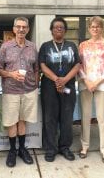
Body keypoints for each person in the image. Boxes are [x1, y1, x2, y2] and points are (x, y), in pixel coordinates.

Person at [0, 17, 39, 167]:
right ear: (14, 29)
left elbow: (36, 68)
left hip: (29, 90)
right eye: (18, 27)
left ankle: (22, 149)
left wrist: (36, 83)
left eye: (24, 27)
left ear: (27, 29)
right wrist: (11, 74)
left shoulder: (32, 46)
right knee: (12, 121)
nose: (21, 29)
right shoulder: (5, 47)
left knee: (23, 120)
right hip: (11, 90)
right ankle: (12, 150)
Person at [39, 17, 80, 162]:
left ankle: (65, 147)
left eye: (61, 27)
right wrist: (57, 79)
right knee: (50, 118)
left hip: (67, 86)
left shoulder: (72, 45)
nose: (58, 29)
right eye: (56, 27)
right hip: (49, 87)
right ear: (51, 30)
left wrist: (65, 80)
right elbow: (42, 65)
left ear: (65, 30)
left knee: (66, 118)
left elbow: (77, 65)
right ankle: (51, 149)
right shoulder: (45, 46)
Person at [78, 16, 104, 164]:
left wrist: (97, 82)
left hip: (102, 84)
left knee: (102, 118)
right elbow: (79, 65)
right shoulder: (83, 45)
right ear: (89, 28)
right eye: (92, 27)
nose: (95, 29)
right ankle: (84, 146)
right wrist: (87, 80)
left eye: (98, 26)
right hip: (85, 83)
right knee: (85, 117)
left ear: (102, 28)